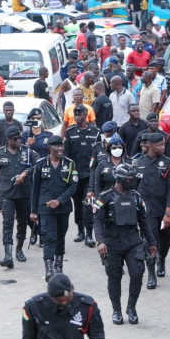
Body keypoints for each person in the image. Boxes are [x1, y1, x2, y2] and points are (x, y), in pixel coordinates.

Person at [95, 162, 157, 325]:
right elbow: (97, 221)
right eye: (130, 179)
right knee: (114, 277)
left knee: (137, 274)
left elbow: (143, 221)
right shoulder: (105, 197)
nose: (133, 181)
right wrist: (100, 242)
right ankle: (116, 310)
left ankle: (131, 308)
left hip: (132, 241)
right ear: (121, 179)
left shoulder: (136, 197)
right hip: (111, 242)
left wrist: (152, 243)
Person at [21, 274, 109, 339]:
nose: (64, 303)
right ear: (50, 295)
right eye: (58, 300)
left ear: (72, 288)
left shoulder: (87, 307)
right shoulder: (34, 308)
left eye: (68, 298)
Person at [0, 126, 39, 269]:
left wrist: (26, 173)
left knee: (22, 223)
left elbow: (39, 164)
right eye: (15, 139)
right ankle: (8, 255)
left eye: (19, 138)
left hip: (23, 194)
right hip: (7, 194)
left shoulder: (27, 152)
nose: (18, 140)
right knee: (7, 224)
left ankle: (19, 249)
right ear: (8, 140)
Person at [30, 136, 79, 279]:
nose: (60, 149)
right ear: (49, 148)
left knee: (60, 237)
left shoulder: (69, 164)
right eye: (57, 146)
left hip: (63, 208)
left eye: (62, 146)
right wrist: (34, 211)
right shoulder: (40, 164)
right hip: (46, 209)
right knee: (49, 237)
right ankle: (49, 268)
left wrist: (60, 200)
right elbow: (36, 189)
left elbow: (73, 186)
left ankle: (59, 266)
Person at [132, 133, 170, 287]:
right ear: (150, 146)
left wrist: (168, 213)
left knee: (165, 241)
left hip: (164, 211)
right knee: (149, 242)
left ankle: (161, 259)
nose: (163, 147)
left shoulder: (169, 164)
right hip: (146, 212)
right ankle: (151, 274)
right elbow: (133, 187)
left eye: (164, 144)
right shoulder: (138, 163)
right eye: (159, 145)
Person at [62, 104, 100, 248]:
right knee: (77, 203)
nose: (78, 117)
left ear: (86, 115)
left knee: (88, 204)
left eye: (80, 114)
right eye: (75, 115)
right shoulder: (70, 132)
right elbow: (65, 153)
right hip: (76, 174)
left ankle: (89, 234)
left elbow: (99, 152)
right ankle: (80, 230)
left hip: (90, 174)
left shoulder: (95, 132)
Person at [89, 130, 122, 198]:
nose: (117, 150)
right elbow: (98, 184)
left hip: (123, 198)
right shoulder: (102, 163)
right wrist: (98, 200)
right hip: (106, 197)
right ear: (110, 149)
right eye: (114, 148)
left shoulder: (128, 163)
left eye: (119, 147)